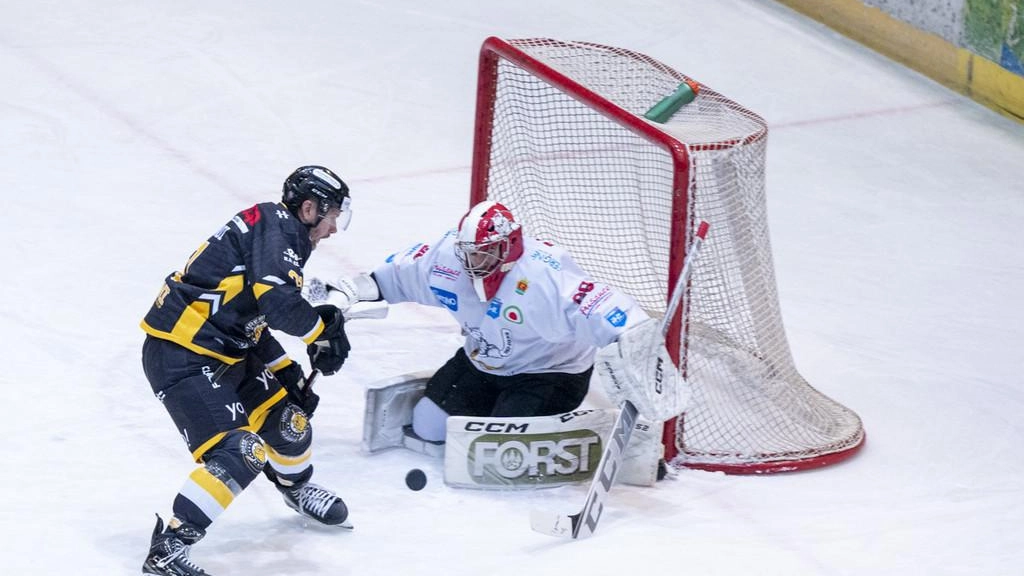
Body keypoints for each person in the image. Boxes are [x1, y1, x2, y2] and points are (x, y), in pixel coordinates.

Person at [139, 166, 355, 576]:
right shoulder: (279, 230)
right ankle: (168, 547)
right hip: (181, 353)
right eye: (331, 218)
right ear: (309, 208)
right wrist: (319, 334)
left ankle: (296, 490)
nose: (333, 230)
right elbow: (277, 306)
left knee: (290, 423)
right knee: (242, 452)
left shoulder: (277, 230)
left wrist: (285, 368)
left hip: (223, 349)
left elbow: (250, 317)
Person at [332, 200, 651, 445]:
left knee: (500, 448)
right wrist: (348, 292)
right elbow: (396, 276)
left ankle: (586, 430)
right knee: (428, 425)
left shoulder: (544, 276)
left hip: (548, 373)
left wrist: (632, 343)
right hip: (484, 361)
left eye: (485, 253)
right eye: (470, 253)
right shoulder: (447, 261)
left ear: (508, 245)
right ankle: (496, 411)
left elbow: (603, 307)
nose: (474, 264)